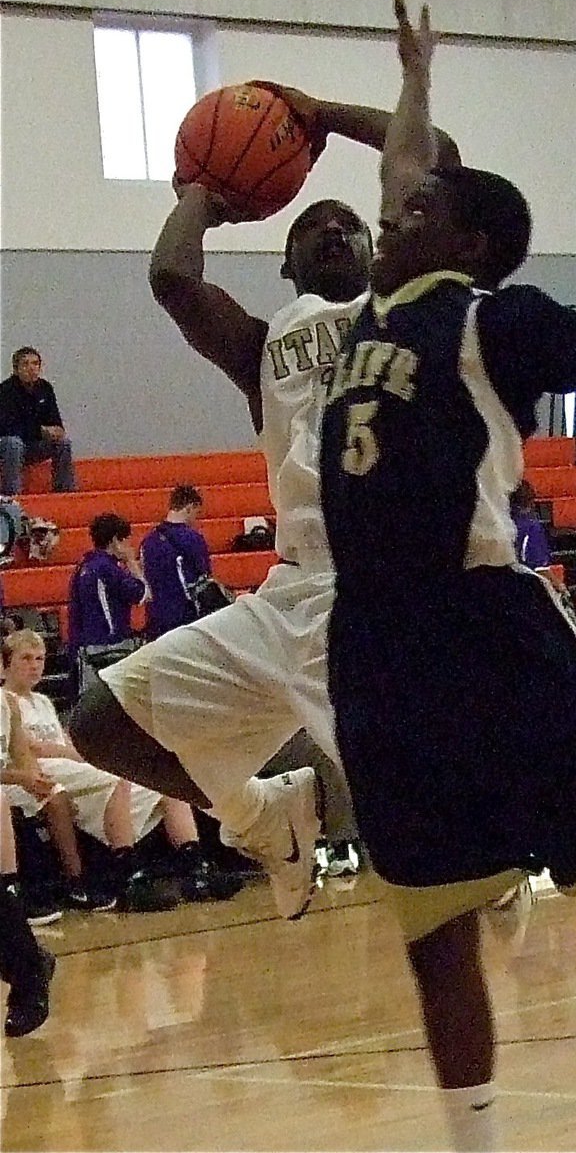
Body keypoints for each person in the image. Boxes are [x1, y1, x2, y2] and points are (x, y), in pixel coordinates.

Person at [318, 0, 576, 1149]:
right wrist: (414, 74)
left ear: (468, 239)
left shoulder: (496, 316)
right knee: (430, 916)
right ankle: (473, 1143)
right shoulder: (378, 304)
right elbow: (400, 159)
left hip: (483, 628)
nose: (395, 214)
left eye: (419, 208)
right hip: (373, 644)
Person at [66, 84, 460, 922]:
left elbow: (439, 164)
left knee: (421, 830)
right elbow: (172, 275)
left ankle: (488, 847)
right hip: (291, 591)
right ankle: (262, 817)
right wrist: (202, 191)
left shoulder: (408, 310)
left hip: (394, 585)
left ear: (378, 246)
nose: (331, 230)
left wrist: (319, 112)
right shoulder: (260, 346)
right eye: (309, 226)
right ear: (284, 264)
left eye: (347, 223)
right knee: (99, 723)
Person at [3, 628, 224, 909]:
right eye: (26, 659)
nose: (35, 666)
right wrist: (81, 756)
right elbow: (32, 749)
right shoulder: (7, 701)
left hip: (69, 766)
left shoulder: (44, 702)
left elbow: (62, 740)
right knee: (116, 777)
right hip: (42, 769)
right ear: (6, 663)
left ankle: (195, 864)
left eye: (40, 658)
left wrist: (78, 754)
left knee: (164, 784)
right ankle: (127, 871)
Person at [0, 687, 56, 1037]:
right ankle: (31, 962)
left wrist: (32, 778)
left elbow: (21, 756)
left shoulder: (8, 704)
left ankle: (29, 979)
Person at [68, 512, 148, 659]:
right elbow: (141, 594)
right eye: (126, 541)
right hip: (108, 646)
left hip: (85, 644)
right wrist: (132, 563)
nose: (129, 546)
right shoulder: (108, 568)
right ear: (115, 541)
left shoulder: (84, 565)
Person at [0, 346, 76, 495]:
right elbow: (8, 428)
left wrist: (57, 431)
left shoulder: (45, 388)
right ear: (16, 369)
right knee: (13, 444)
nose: (31, 368)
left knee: (64, 443)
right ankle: (12, 495)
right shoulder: (5, 391)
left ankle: (65, 493)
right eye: (26, 364)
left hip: (34, 444)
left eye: (35, 364)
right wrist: (40, 431)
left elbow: (55, 421)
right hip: (7, 446)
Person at [140, 484, 210, 637]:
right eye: (196, 514)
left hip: (156, 618)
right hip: (186, 616)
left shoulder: (148, 541)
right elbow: (204, 575)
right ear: (190, 507)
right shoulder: (193, 538)